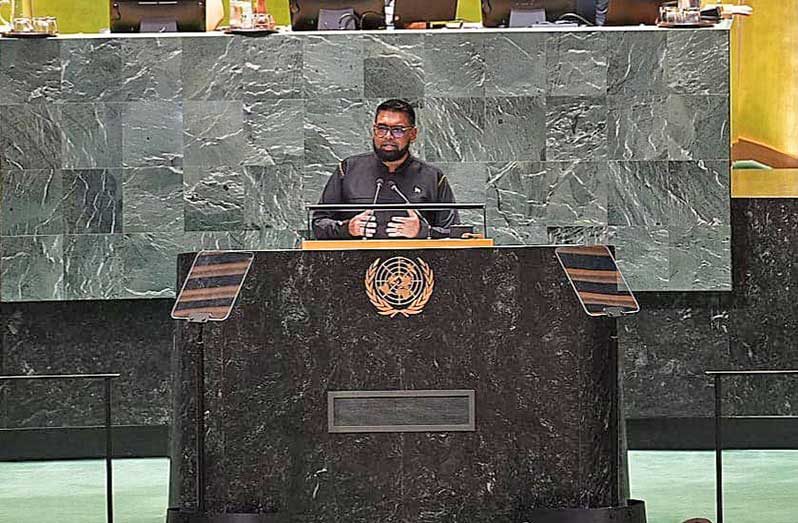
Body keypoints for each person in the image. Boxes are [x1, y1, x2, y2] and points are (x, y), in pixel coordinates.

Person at [312, 99, 459, 240]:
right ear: (374, 131)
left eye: (398, 130)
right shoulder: (348, 169)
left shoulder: (432, 177)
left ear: (413, 134)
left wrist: (424, 231)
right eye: (382, 129)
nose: (388, 136)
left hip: (414, 264)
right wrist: (347, 228)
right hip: (355, 262)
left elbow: (455, 233)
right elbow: (318, 224)